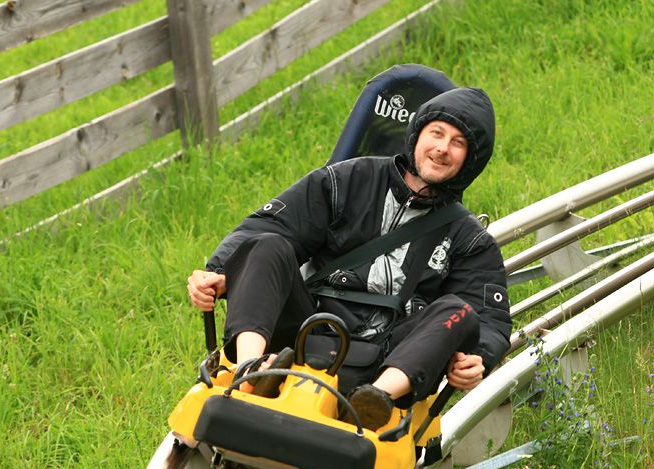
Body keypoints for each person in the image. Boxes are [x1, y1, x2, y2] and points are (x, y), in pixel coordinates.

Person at [187, 87, 511, 431]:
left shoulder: (469, 237)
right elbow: (272, 225)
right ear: (417, 134)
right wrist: (219, 273)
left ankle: (371, 401)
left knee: (458, 311)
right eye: (437, 133)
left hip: (387, 360)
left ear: (470, 159)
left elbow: (489, 320)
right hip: (302, 335)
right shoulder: (347, 180)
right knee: (267, 244)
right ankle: (251, 370)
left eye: (458, 143)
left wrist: (477, 358)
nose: (442, 148)